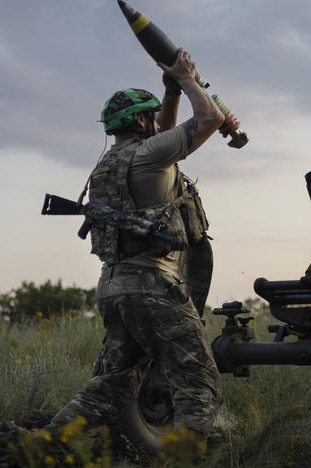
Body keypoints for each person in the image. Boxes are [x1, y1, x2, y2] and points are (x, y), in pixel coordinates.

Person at [45, 48, 238, 444]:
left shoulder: (110, 163)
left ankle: (41, 445)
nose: (155, 122)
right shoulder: (151, 156)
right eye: (149, 115)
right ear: (138, 120)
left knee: (113, 386)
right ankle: (181, 458)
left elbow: (166, 133)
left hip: (115, 287)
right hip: (154, 287)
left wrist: (170, 94)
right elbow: (210, 119)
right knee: (199, 384)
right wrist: (187, 79)